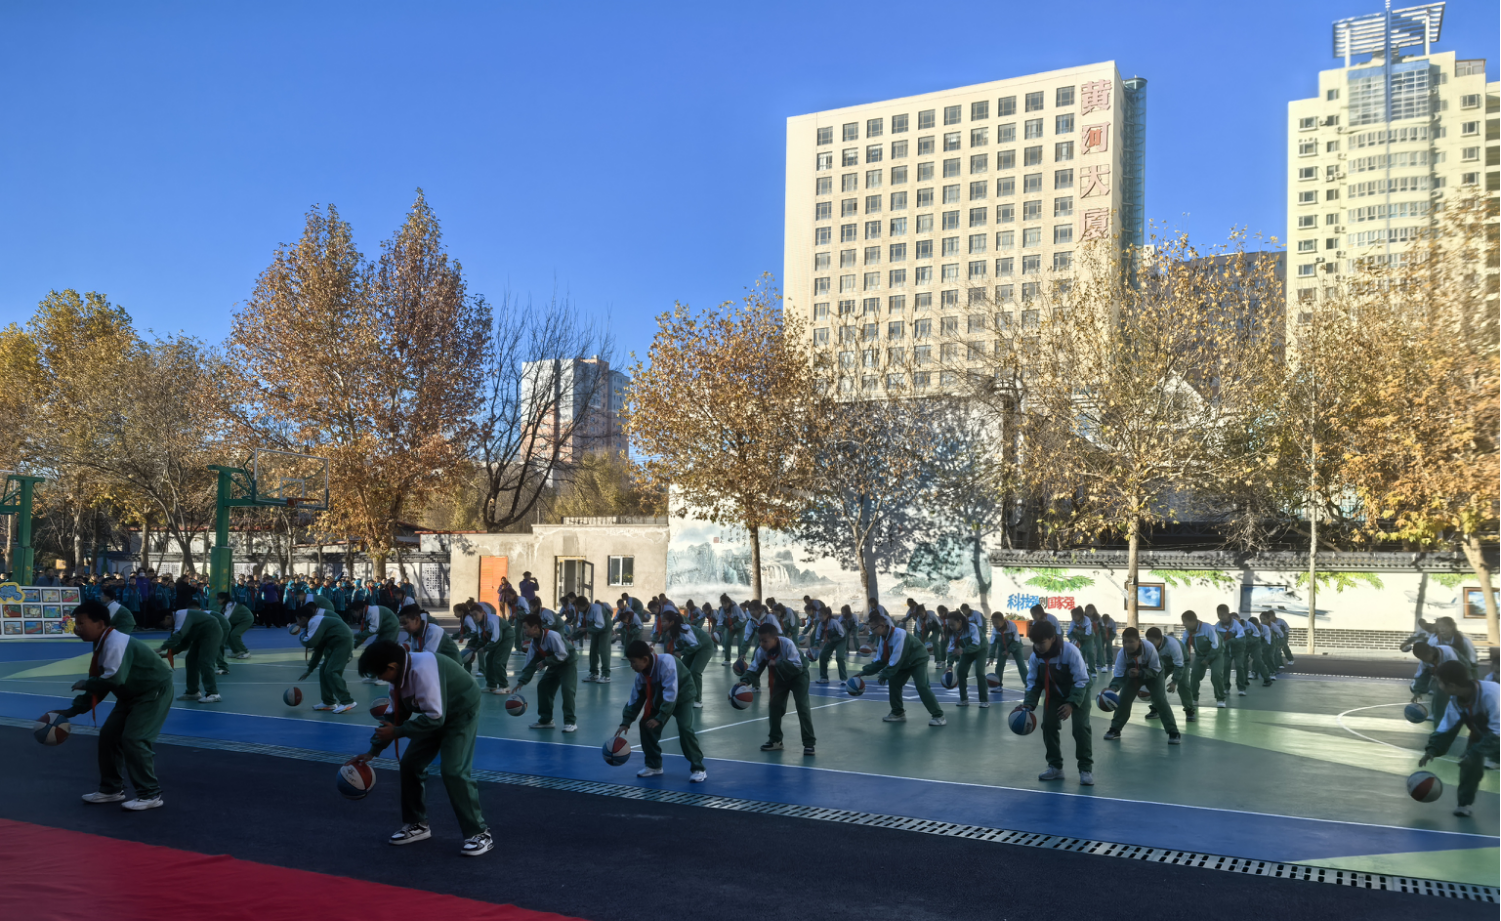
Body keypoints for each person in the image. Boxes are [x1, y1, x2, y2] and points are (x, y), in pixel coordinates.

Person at [354, 640, 492, 856]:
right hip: (434, 714)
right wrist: (373, 751)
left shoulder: (423, 670)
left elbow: (435, 719)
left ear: (392, 667)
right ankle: (417, 824)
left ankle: (479, 833)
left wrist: (398, 732)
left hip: (461, 711)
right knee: (410, 764)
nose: (380, 678)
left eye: (379, 674)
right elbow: (394, 717)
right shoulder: (397, 678)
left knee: (454, 771)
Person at [64, 600, 174, 811]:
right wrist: (72, 710)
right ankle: (111, 790)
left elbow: (113, 680)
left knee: (134, 738)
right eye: (75, 624)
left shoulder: (115, 642)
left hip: (152, 691)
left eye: (81, 623)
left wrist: (86, 684)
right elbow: (101, 682)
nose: (77, 629)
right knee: (109, 736)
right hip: (130, 694)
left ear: (100, 623)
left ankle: (150, 794)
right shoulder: (101, 642)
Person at [618, 639, 708, 781]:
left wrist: (660, 718)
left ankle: (698, 768)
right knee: (645, 725)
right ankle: (654, 765)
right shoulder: (641, 674)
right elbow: (635, 699)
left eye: (633, 662)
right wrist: (626, 721)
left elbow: (671, 694)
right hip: (661, 698)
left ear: (645, 659)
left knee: (685, 728)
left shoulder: (667, 663)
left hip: (683, 697)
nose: (631, 666)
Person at [1419, 660, 1498, 818]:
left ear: (1452, 685)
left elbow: (1498, 731)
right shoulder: (1456, 701)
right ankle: (1464, 804)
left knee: (1472, 756)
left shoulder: (1491, 693)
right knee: (1469, 765)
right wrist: (1432, 749)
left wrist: (1474, 754)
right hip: (1481, 734)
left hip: (1497, 733)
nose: (1438, 686)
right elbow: (1447, 727)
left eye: (1439, 682)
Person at [1020, 620, 1094, 785]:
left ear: (1052, 638)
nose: (1038, 646)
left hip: (1079, 691)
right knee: (1048, 726)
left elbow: (1081, 680)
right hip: (1054, 694)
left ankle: (1085, 769)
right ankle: (1055, 767)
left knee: (1081, 728)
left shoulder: (1070, 652)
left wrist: (1071, 704)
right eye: (1035, 643)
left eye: (1042, 642)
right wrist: (1028, 704)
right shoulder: (1035, 657)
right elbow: (1033, 682)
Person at [739, 623, 817, 755]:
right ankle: (776, 741)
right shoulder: (761, 651)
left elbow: (797, 667)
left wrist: (778, 663)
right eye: (760, 640)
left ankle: (809, 743)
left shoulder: (787, 644)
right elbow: (754, 668)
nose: (762, 644)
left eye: (765, 641)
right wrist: (744, 681)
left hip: (799, 675)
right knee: (774, 706)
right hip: (780, 676)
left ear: (775, 639)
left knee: (802, 707)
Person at [858, 611, 945, 726]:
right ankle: (898, 713)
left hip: (917, 659)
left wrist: (886, 674)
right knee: (894, 682)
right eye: (870, 628)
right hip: (904, 662)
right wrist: (862, 672)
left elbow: (896, 658)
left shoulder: (899, 634)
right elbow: (880, 660)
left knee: (922, 686)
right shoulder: (883, 639)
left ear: (882, 626)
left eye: (873, 628)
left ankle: (938, 716)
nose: (871, 631)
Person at [1102, 627, 1180, 744]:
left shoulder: (1149, 649)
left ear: (1139, 641)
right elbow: (1119, 676)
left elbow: (1155, 670)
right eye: (1124, 641)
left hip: (1154, 675)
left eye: (1130, 641)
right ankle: (1115, 729)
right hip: (1133, 676)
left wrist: (1141, 673)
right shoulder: (1122, 654)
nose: (1127, 645)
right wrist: (1112, 689)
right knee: (1123, 699)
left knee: (1159, 700)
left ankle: (1173, 732)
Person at [157, 583, 224, 703]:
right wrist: (169, 653)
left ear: (167, 617)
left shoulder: (181, 615)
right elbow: (185, 643)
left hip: (211, 632)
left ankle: (213, 693)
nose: (165, 626)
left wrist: (161, 648)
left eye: (164, 623)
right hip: (200, 635)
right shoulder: (180, 622)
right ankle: (193, 691)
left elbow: (178, 635)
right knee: (191, 659)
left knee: (205, 661)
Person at [512, 613, 578, 732]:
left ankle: (570, 722)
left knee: (567, 689)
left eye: (526, 628)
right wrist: (522, 681)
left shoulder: (552, 636)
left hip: (567, 664)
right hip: (554, 664)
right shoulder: (534, 643)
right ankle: (546, 720)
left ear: (535, 627)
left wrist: (546, 661)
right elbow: (531, 663)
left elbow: (563, 655)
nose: (524, 631)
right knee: (543, 686)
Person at [294, 602, 357, 713]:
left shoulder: (314, 621)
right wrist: (310, 669)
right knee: (323, 670)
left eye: (297, 620)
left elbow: (310, 642)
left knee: (331, 671)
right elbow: (318, 649)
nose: (297, 623)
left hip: (342, 641)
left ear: (303, 618)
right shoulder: (313, 625)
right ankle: (328, 702)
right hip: (336, 643)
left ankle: (347, 701)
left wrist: (301, 637)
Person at [661, 609, 713, 708]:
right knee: (683, 671)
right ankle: (684, 696)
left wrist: (681, 653)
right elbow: (671, 651)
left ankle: (697, 700)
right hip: (691, 647)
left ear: (671, 623)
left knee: (695, 671)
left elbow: (697, 645)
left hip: (704, 646)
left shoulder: (683, 630)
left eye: (664, 621)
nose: (661, 624)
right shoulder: (670, 633)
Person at [1178, 610, 1222, 719]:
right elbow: (1183, 647)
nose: (1183, 624)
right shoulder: (1187, 632)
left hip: (1216, 654)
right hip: (1200, 656)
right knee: (1194, 676)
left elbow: (1216, 645)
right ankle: (1194, 698)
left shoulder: (1207, 628)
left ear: (1193, 621)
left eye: (1185, 621)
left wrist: (1208, 659)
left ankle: (1220, 699)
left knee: (1216, 675)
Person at [945, 609, 989, 708]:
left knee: (980, 673)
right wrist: (949, 665)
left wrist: (963, 651)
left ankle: (984, 700)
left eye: (952, 624)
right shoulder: (953, 632)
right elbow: (951, 649)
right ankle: (964, 699)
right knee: (961, 672)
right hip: (966, 651)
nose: (950, 627)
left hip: (980, 650)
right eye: (949, 625)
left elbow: (976, 644)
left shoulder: (972, 627)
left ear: (960, 622)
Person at [1143, 627, 1185, 722]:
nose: (1150, 643)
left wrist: (1174, 682)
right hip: (1165, 663)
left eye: (1152, 641)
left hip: (1182, 662)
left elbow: (1179, 664)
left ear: (1160, 639)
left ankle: (1190, 710)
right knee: (1155, 683)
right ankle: (1155, 709)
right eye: (1148, 641)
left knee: (1184, 686)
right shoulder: (1148, 646)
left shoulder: (1172, 644)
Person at [398, 605, 463, 665]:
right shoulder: (414, 634)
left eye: (405, 623)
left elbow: (427, 657)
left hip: (454, 665)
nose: (403, 627)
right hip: (440, 665)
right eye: (402, 624)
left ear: (417, 620)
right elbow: (414, 654)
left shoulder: (434, 631)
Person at [579, 596, 614, 683]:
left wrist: (587, 629)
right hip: (595, 630)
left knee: (604, 651)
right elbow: (582, 625)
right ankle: (594, 674)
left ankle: (606, 675)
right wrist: (573, 636)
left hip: (604, 629)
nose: (578, 609)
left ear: (586, 605)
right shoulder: (582, 611)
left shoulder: (596, 609)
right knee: (593, 651)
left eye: (579, 607)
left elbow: (600, 625)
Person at [988, 612, 1027, 689]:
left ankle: (1028, 684)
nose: (995, 625)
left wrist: (1008, 650)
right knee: (999, 665)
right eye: (993, 623)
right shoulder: (995, 630)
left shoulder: (1012, 626)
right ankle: (998, 684)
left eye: (997, 623)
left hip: (1016, 646)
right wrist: (991, 657)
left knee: (1021, 665)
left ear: (1003, 620)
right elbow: (993, 644)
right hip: (1002, 647)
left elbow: (1016, 640)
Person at [811, 604, 848, 684]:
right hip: (830, 640)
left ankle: (843, 679)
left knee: (839, 657)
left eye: (821, 616)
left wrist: (832, 640)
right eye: (818, 616)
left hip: (841, 640)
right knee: (823, 656)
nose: (819, 617)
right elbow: (818, 635)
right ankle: (824, 677)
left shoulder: (834, 622)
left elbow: (842, 634)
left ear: (827, 615)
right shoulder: (821, 624)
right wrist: (816, 644)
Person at [218, 591, 255, 660]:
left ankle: (245, 652)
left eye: (218, 599)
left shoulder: (231, 605)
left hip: (246, 620)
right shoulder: (225, 606)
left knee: (235, 634)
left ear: (223, 599)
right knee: (228, 634)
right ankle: (236, 651)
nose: (217, 600)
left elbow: (225, 618)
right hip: (236, 621)